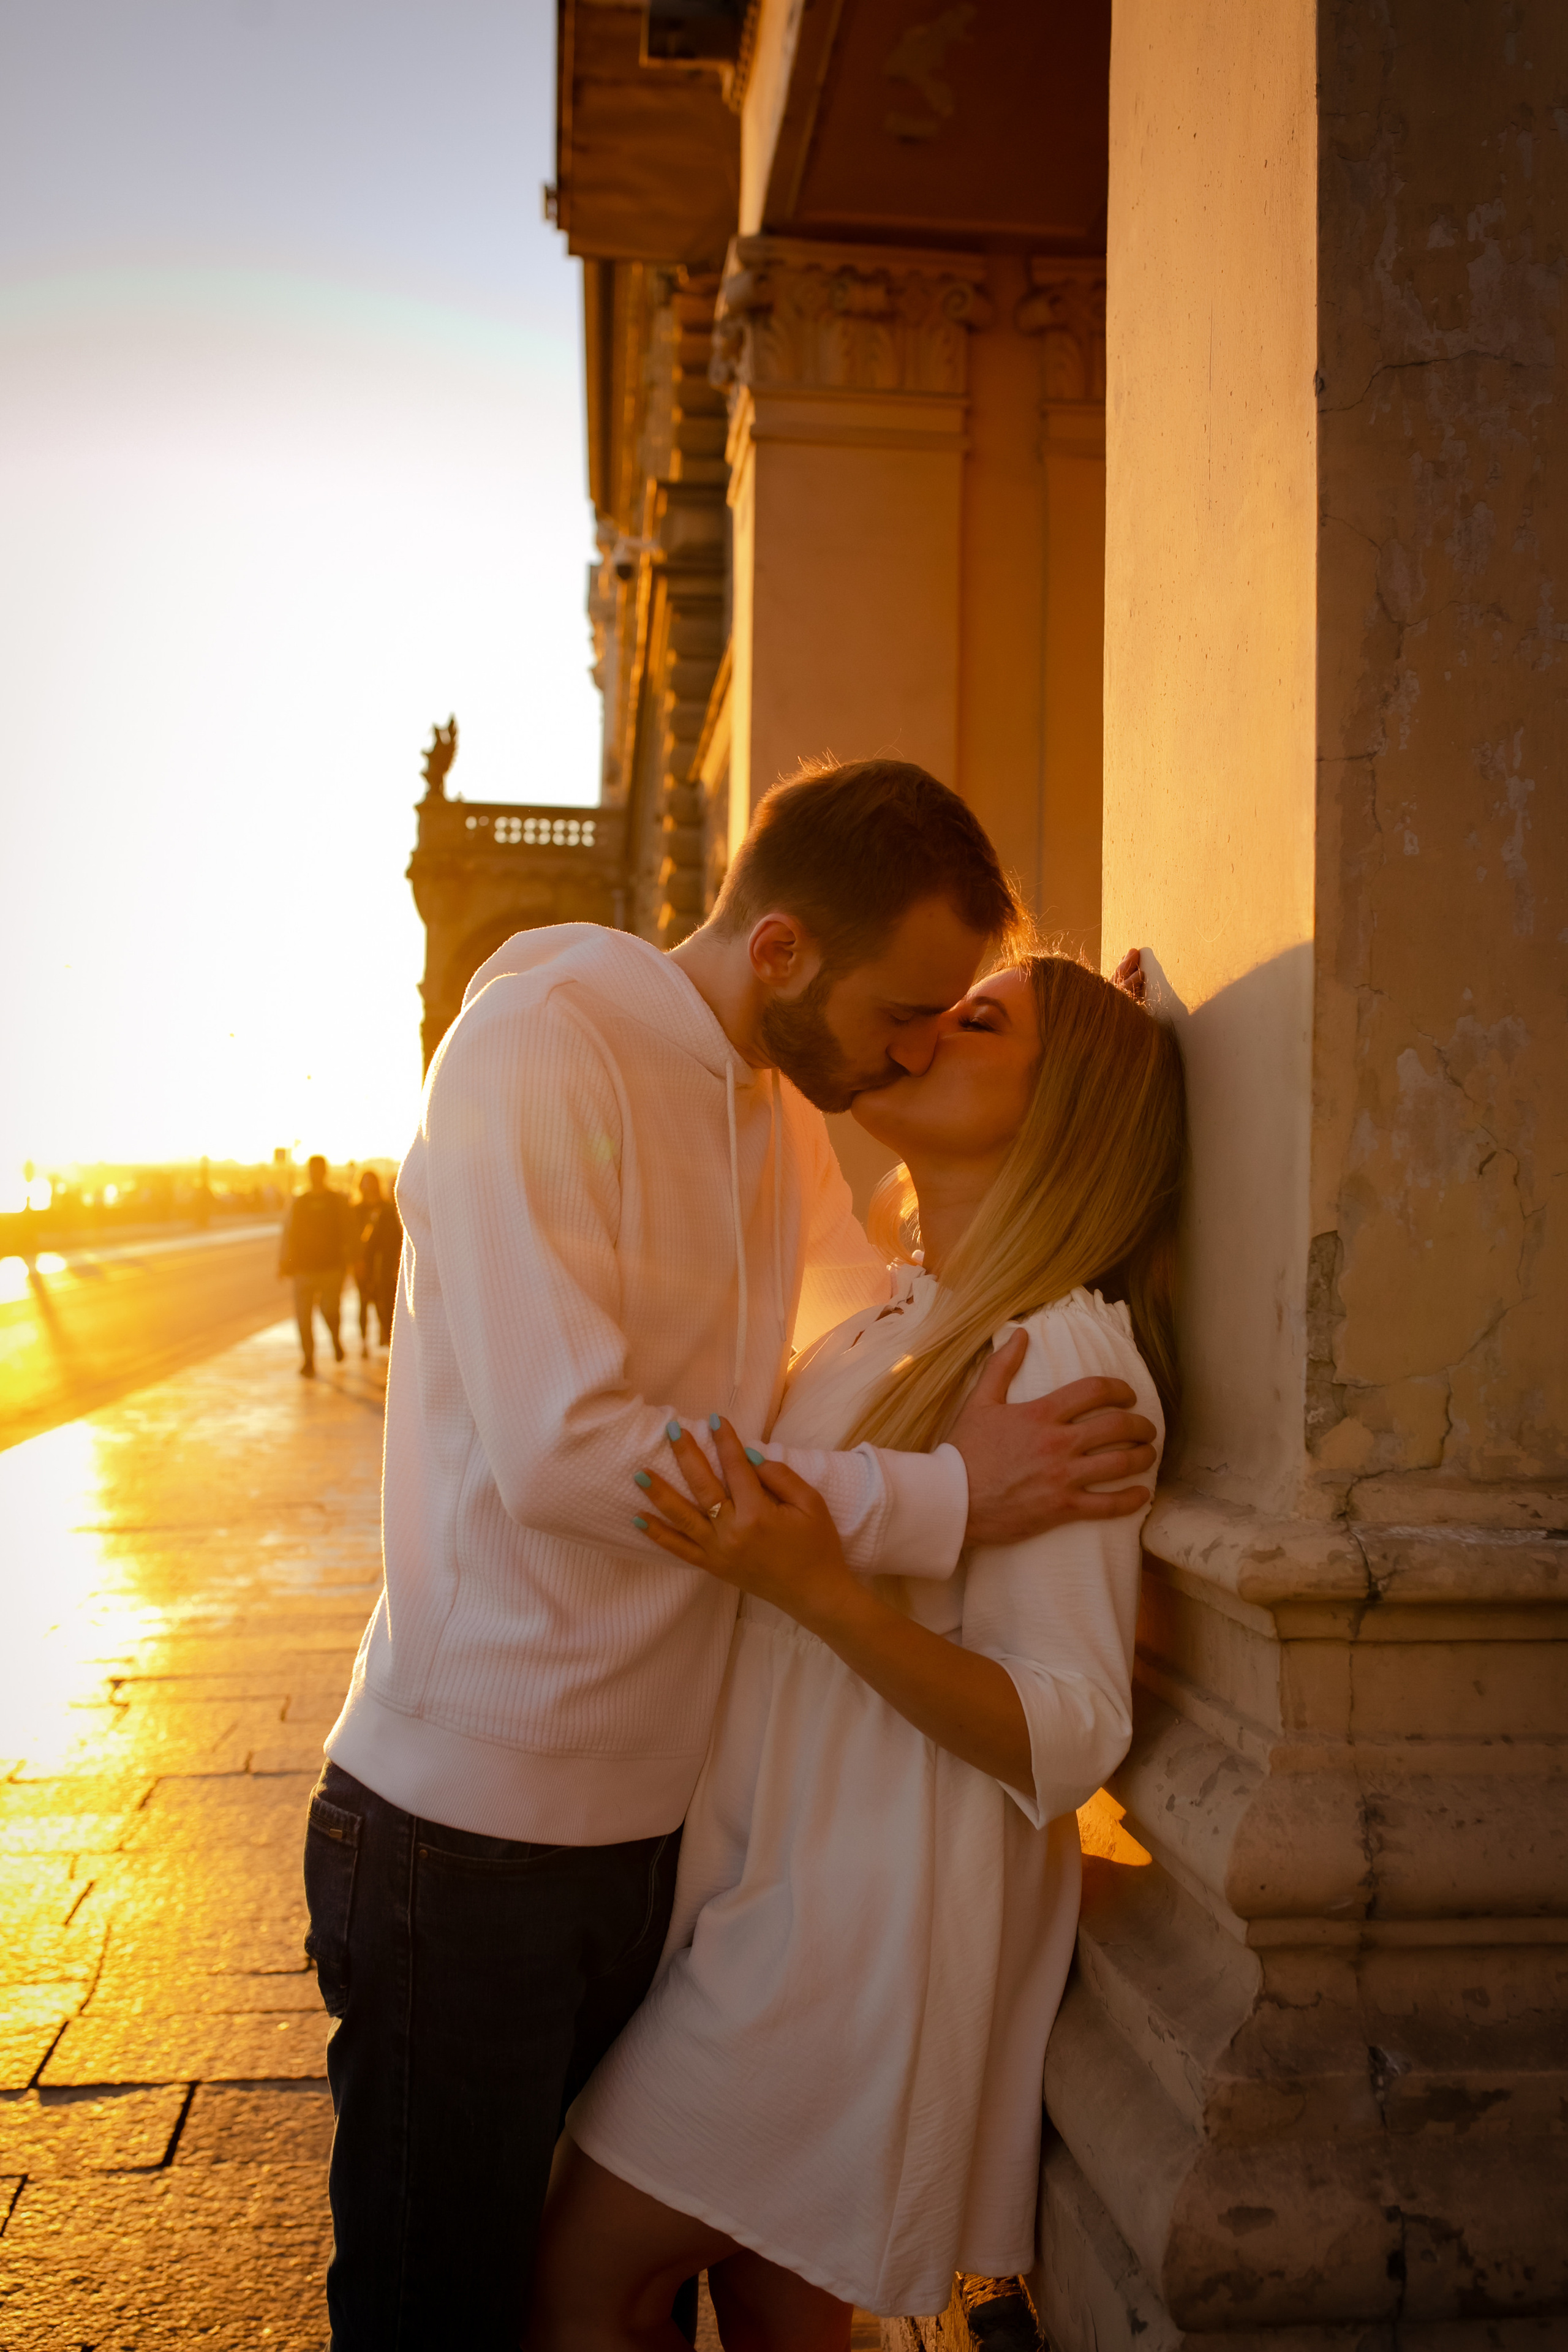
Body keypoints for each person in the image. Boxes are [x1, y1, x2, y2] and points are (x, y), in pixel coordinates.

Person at [304, 761, 1160, 2349]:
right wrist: (944, 1505)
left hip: (663, 1857)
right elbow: (569, 1447)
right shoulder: (539, 1045)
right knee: (452, 2308)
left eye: (953, 1016)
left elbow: (877, 1314)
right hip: (464, 1843)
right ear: (781, 955)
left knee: (652, 2292)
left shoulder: (767, 1104)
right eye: (911, 1010)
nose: (912, 1045)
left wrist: (1093, 1078)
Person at [531, 952, 1184, 2350]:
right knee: (772, 2298)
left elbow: (1064, 1725)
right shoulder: (888, 1314)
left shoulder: (1057, 1360)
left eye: (979, 1017)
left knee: (585, 2271)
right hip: (763, 1888)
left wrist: (824, 1589)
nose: (928, 1027)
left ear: (1063, 1102)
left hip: (863, 1931)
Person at [278, 1155, 353, 1378]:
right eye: (312, 1170)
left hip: (331, 1268)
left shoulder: (336, 1200)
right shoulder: (299, 1202)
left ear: (325, 1172)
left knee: (330, 1309)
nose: (315, 1174)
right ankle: (308, 1359)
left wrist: (353, 1260)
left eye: (319, 1170)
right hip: (303, 1270)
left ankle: (335, 1338)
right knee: (303, 1318)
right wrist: (285, 1262)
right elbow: (289, 1233)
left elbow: (349, 1231)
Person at [351, 1169, 401, 1354]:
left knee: (385, 1300)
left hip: (383, 1263)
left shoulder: (386, 1208)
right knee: (363, 1301)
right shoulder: (356, 1210)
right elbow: (352, 1238)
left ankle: (387, 1338)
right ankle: (364, 1340)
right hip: (364, 1262)